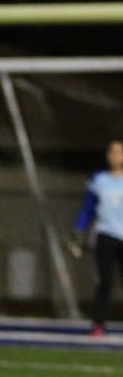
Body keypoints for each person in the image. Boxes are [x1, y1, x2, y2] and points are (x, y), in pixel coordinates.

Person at [71, 138, 123, 338]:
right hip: (106, 235)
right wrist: (79, 229)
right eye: (114, 152)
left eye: (121, 152)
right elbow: (88, 208)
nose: (117, 157)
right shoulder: (99, 180)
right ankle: (98, 324)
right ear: (108, 156)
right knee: (105, 281)